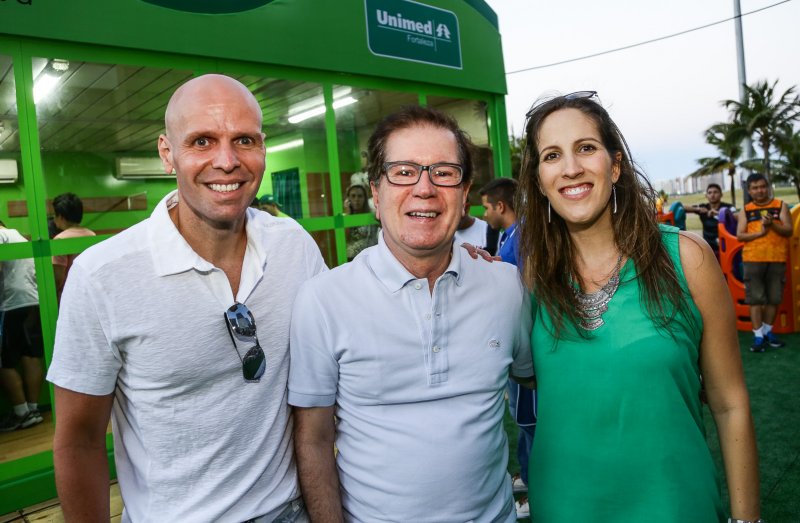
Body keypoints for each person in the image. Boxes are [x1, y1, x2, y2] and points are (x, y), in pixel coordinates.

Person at [46, 75, 325, 522]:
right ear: (166, 152)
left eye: (244, 140)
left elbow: (350, 330)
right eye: (201, 141)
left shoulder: (293, 245)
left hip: (290, 510)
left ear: (263, 147)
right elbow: (78, 440)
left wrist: (463, 258)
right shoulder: (103, 274)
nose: (227, 160)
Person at [518, 91, 761, 522]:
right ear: (539, 181)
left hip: (675, 505)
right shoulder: (532, 274)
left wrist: (747, 519)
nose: (571, 167)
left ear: (615, 166)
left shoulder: (687, 259)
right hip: (562, 507)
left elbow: (729, 402)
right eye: (552, 155)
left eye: (586, 148)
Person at [289, 106, 534, 523]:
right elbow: (313, 440)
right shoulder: (324, 299)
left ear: (464, 193)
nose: (424, 188)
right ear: (376, 193)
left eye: (444, 172)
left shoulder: (506, 288)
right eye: (403, 171)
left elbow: (538, 383)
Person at [479, 176, 534, 517]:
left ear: (501, 206)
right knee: (524, 417)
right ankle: (528, 477)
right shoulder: (510, 234)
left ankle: (536, 485)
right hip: (515, 340)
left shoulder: (525, 234)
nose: (484, 214)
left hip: (524, 339)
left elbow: (521, 283)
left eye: (486, 206)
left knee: (530, 421)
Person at [736, 173, 793, 352]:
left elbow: (789, 230)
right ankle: (758, 336)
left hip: (777, 258)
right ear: (750, 191)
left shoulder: (780, 205)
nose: (759, 190)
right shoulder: (746, 209)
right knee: (755, 300)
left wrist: (772, 225)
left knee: (774, 298)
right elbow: (740, 235)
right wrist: (760, 233)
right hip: (753, 259)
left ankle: (768, 332)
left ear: (768, 187)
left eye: (762, 186)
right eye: (755, 188)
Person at [0, 220, 45, 432]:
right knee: (31, 355)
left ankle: (21, 412)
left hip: (12, 302)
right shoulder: (17, 235)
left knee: (3, 361)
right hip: (33, 300)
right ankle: (34, 409)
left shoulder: (1, 235)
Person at [51, 192, 96, 300]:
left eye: (54, 215)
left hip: (70, 295)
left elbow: (58, 278)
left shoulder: (60, 240)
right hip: (90, 291)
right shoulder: (92, 235)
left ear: (61, 216)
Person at [686, 183, 735, 256]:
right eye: (710, 192)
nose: (712, 195)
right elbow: (681, 207)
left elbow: (737, 215)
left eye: (715, 192)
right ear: (706, 196)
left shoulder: (728, 207)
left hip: (725, 247)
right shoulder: (704, 207)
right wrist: (698, 209)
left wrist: (718, 213)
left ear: (721, 194)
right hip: (708, 247)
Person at [343, 183, 378, 260]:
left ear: (365, 199)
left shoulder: (372, 215)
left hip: (371, 257)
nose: (356, 199)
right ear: (348, 199)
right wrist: (348, 215)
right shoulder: (345, 217)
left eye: (360, 196)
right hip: (352, 258)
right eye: (353, 196)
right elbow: (344, 238)